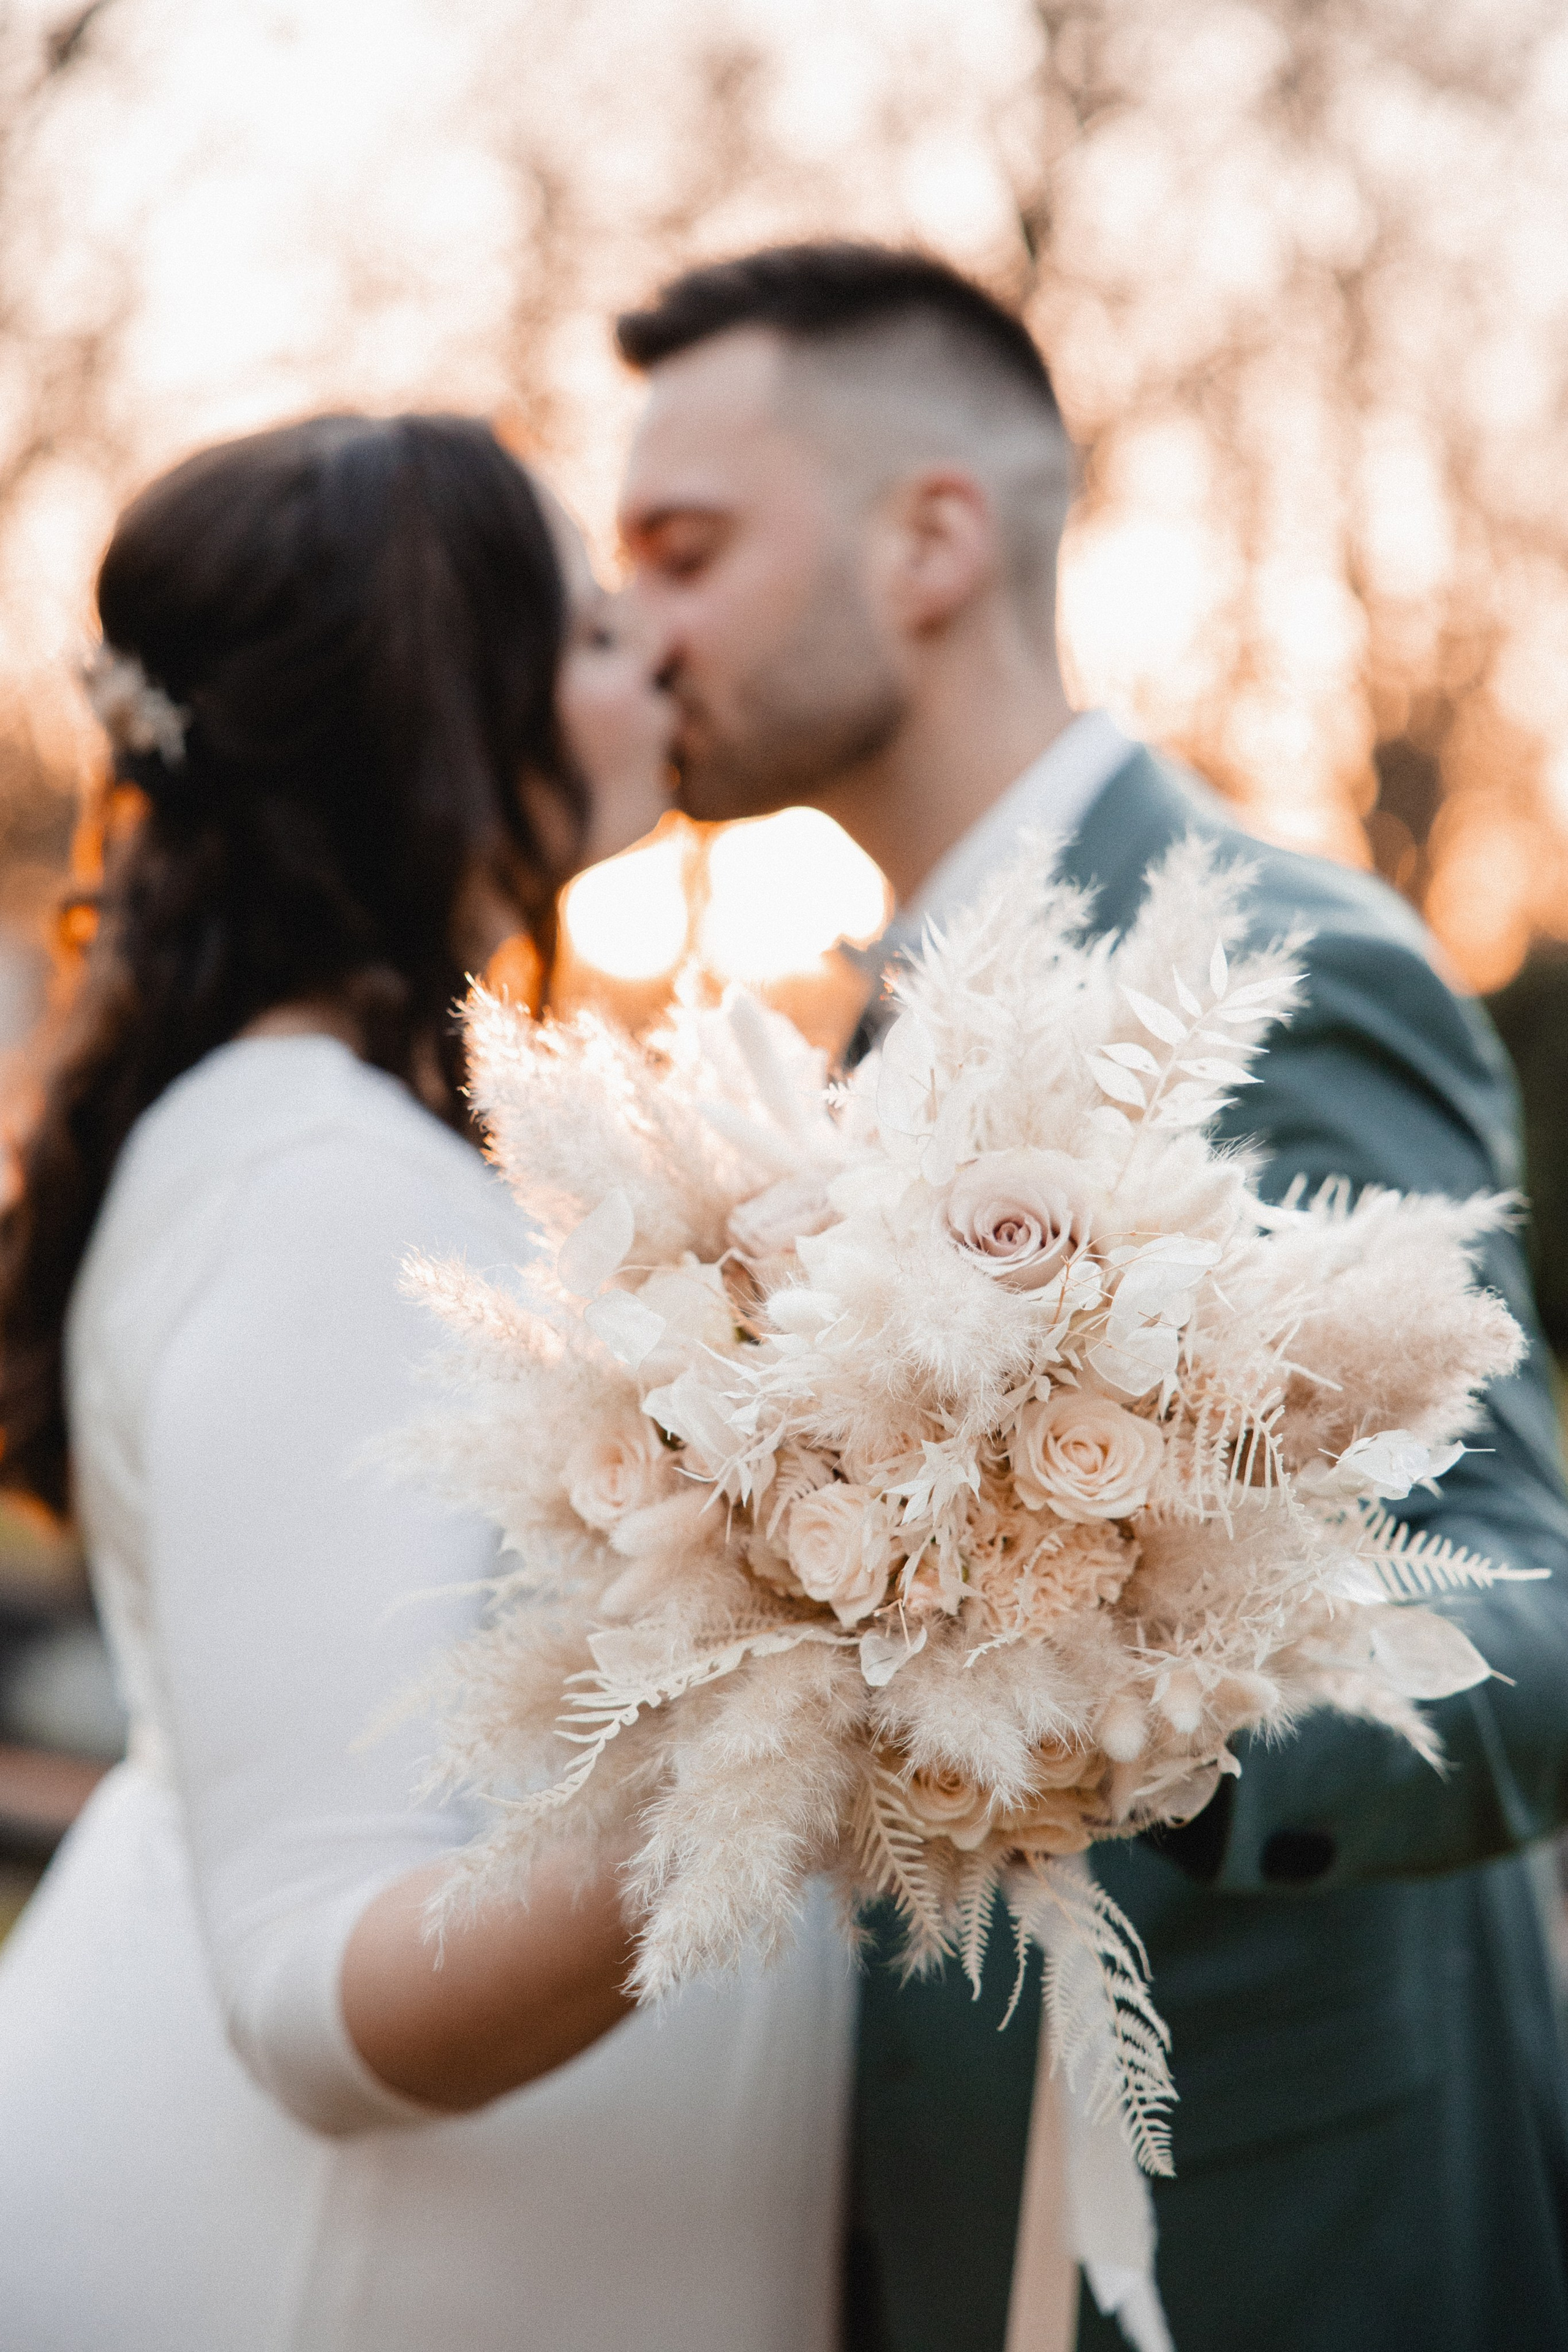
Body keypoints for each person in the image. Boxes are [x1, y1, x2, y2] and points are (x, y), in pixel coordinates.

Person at [613, 243, 1568, 2351]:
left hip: (1278, 2226)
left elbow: (1531, 1612)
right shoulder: (859, 1030)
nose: (640, 628)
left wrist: (1161, 1720)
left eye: (687, 548)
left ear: (934, 537)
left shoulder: (1275, 973)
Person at [0, 413, 850, 2352]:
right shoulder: (309, 1183)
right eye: (583, 631)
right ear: (442, 720)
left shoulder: (378, 1140)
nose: (646, 653)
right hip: (319, 2277)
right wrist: (814, 1698)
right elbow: (318, 1982)